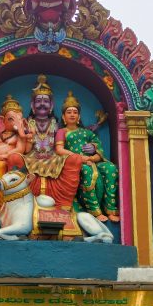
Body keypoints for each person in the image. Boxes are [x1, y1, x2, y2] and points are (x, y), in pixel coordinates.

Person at [3, 74, 82, 209]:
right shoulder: (28, 123)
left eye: (45, 101)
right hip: (32, 157)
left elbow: (60, 146)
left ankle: (63, 203)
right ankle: (19, 201)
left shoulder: (56, 124)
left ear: (51, 105)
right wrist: (28, 137)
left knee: (74, 160)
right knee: (14, 158)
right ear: (32, 105)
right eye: (38, 101)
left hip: (53, 157)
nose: (42, 104)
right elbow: (27, 150)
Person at [54, 91, 119, 222]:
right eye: (69, 112)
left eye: (75, 112)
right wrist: (79, 158)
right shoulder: (62, 132)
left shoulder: (86, 132)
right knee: (87, 172)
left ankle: (110, 209)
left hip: (91, 160)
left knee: (111, 168)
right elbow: (59, 149)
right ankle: (94, 210)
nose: (72, 114)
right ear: (63, 117)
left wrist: (94, 153)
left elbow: (98, 147)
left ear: (79, 116)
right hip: (73, 163)